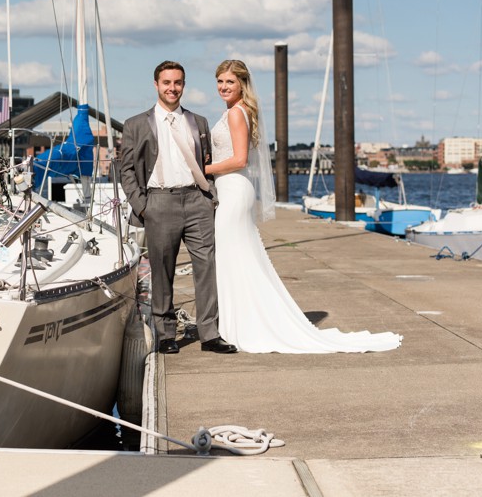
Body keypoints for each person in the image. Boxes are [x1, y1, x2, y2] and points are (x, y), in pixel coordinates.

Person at [205, 59, 402, 353]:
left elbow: (240, 159)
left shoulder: (236, 113)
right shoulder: (241, 111)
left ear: (242, 84)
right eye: (220, 81)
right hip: (234, 189)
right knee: (238, 258)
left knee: (234, 257)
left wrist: (203, 169)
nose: (223, 87)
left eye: (230, 82)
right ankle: (239, 322)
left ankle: (242, 325)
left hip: (234, 190)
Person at [120, 61, 237, 354]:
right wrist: (143, 206)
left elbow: (205, 161)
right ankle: (166, 333)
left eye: (178, 83)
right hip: (159, 202)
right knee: (162, 271)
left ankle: (210, 334)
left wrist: (208, 197)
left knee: (207, 267)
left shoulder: (198, 122)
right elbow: (126, 170)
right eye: (167, 83)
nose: (173, 88)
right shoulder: (136, 124)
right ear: (156, 85)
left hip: (197, 201)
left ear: (184, 85)